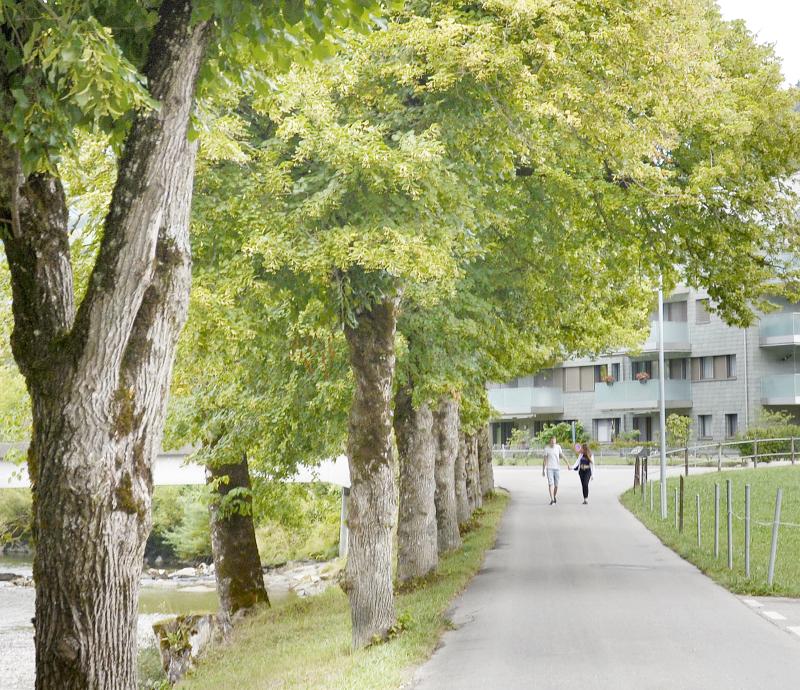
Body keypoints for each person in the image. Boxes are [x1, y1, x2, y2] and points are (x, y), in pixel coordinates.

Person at [542, 436, 569, 505]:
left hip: (557, 468)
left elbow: (562, 456)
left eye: (554, 442)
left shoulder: (558, 447)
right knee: (551, 484)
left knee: (556, 485)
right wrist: (543, 470)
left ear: (555, 442)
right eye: (552, 442)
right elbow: (545, 460)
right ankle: (552, 499)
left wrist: (568, 464)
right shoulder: (546, 449)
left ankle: (554, 496)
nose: (553, 443)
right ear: (549, 442)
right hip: (549, 469)